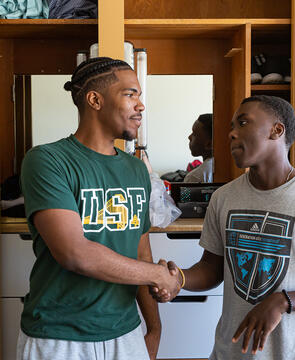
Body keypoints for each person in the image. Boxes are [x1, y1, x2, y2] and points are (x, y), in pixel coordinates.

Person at [152, 95, 295, 359]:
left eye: (243, 123)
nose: (231, 134)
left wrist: (284, 301)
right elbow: (211, 269)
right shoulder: (224, 198)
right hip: (230, 352)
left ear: (277, 130)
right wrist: (177, 278)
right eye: (231, 127)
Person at [18, 57, 181, 360]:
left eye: (140, 96)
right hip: (58, 336)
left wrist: (154, 329)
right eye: (131, 94)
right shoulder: (47, 161)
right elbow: (75, 253)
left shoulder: (135, 170)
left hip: (126, 332)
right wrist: (159, 276)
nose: (141, 106)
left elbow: (141, 254)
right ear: (95, 100)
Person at [184, 113, 214, 183]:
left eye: (194, 134)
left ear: (209, 144)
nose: (189, 137)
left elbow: (186, 194)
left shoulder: (194, 178)